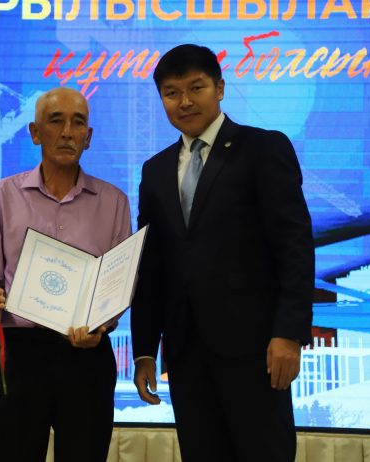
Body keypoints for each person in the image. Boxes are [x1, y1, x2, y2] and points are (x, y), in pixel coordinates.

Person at [131, 44, 315, 462]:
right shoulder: (155, 170)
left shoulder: (263, 148)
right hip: (185, 354)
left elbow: (294, 245)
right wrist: (144, 350)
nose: (184, 101)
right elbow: (151, 267)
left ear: (220, 88)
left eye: (196, 88)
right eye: (171, 93)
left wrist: (289, 333)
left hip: (256, 350)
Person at [0, 87, 131, 462]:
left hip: (86, 357)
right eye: (56, 121)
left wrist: (102, 323)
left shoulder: (114, 202)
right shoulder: (1, 196)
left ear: (89, 137)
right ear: (35, 132)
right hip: (19, 356)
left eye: (78, 123)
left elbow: (119, 285)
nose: (68, 132)